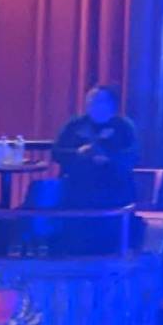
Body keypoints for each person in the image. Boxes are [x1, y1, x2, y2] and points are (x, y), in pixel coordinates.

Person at [49, 85, 140, 254]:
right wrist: (77, 153)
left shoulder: (123, 127)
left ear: (112, 105)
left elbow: (132, 156)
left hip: (112, 186)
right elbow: (57, 152)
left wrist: (109, 160)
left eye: (99, 100)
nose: (93, 104)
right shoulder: (75, 125)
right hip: (78, 185)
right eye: (90, 100)